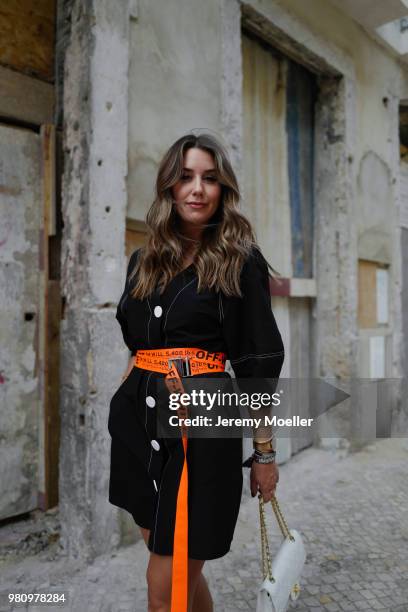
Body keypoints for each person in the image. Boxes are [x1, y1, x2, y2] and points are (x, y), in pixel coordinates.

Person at [108, 132, 285, 612]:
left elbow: (257, 362)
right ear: (169, 187)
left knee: (164, 590)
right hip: (136, 426)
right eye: (185, 177)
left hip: (201, 430)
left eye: (209, 178)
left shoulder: (240, 262)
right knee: (172, 564)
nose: (197, 189)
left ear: (223, 190)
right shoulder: (141, 263)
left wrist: (264, 453)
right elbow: (138, 341)